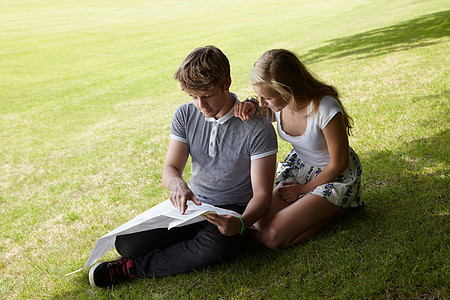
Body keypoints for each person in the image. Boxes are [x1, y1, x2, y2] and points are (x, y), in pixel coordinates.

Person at [88, 45, 278, 288]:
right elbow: (171, 168)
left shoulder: (258, 128)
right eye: (193, 96)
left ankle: (133, 268)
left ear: (226, 83)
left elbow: (262, 194)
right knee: (126, 243)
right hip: (193, 204)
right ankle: (177, 248)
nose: (201, 104)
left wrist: (241, 223)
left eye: (206, 95)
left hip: (233, 208)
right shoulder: (185, 115)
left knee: (215, 246)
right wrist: (177, 184)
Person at [234, 49, 363, 250]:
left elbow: (340, 163)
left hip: (333, 176)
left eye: (266, 97)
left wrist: (303, 190)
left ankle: (339, 209)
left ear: (287, 90)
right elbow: (264, 109)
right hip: (301, 169)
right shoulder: (280, 105)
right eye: (259, 96)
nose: (262, 103)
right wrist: (251, 105)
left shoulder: (325, 108)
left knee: (271, 238)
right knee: (256, 227)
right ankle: (315, 210)